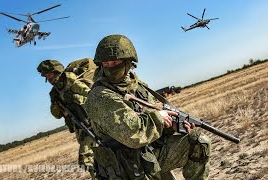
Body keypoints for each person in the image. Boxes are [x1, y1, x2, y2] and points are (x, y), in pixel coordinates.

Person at [85, 34, 211, 179]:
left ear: (128, 62)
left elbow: (154, 113)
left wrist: (171, 125)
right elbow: (133, 134)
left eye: (114, 62)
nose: (110, 67)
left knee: (198, 142)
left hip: (148, 155)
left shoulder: (137, 86)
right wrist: (159, 118)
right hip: (125, 169)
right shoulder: (99, 96)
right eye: (105, 64)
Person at [37, 59, 97, 178]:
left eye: (49, 75)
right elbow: (57, 115)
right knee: (91, 161)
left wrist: (74, 97)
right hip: (81, 129)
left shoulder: (71, 80)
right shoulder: (54, 93)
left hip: (94, 124)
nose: (49, 79)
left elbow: (91, 96)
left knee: (87, 159)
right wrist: (56, 103)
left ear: (56, 71)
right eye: (46, 77)